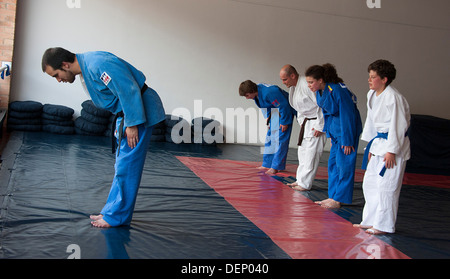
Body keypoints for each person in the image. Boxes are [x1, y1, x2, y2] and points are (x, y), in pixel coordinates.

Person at [42, 47, 165, 228]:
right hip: (128, 114)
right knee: (121, 165)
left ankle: (116, 217)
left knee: (127, 165)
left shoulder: (97, 63)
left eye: (56, 75)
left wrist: (131, 123)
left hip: (138, 112)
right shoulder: (87, 68)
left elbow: (128, 89)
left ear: (65, 64)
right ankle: (111, 211)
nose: (59, 80)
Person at [354, 60, 410, 235]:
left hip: (393, 147)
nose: (369, 80)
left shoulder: (394, 97)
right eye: (369, 77)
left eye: (373, 77)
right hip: (378, 144)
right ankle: (370, 220)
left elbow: (398, 126)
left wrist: (391, 150)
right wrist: (370, 146)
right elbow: (371, 122)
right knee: (370, 183)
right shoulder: (372, 94)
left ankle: (384, 225)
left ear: (384, 79)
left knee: (387, 187)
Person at [305, 64, 362, 209]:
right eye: (308, 82)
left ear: (321, 80)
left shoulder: (337, 89)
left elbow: (347, 115)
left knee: (344, 165)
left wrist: (348, 140)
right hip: (335, 130)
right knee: (333, 164)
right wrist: (329, 134)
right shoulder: (321, 92)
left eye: (311, 82)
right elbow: (326, 114)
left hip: (347, 129)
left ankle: (340, 198)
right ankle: (333, 196)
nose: (309, 85)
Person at [279, 65, 326, 191]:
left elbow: (321, 105)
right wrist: (301, 122)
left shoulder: (306, 85)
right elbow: (299, 108)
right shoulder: (295, 87)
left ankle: (305, 184)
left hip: (316, 123)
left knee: (311, 155)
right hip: (306, 123)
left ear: (292, 76)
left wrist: (320, 126)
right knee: (303, 153)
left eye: (285, 79)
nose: (283, 83)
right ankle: (300, 179)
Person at [239, 80, 295, 174]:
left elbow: (284, 106)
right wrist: (268, 119)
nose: (247, 98)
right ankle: (267, 164)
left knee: (280, 139)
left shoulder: (270, 92)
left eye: (247, 95)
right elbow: (268, 106)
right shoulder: (258, 93)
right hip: (275, 112)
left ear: (252, 91)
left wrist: (285, 122)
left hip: (285, 111)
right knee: (270, 138)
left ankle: (276, 167)